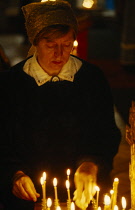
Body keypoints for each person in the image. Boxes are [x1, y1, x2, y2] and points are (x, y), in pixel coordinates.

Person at [0, 1, 121, 210]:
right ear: (35, 42)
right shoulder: (11, 83)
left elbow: (106, 133)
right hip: (29, 197)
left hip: (84, 194)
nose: (59, 54)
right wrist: (14, 175)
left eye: (66, 45)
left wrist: (91, 164)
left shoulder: (92, 78)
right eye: (51, 45)